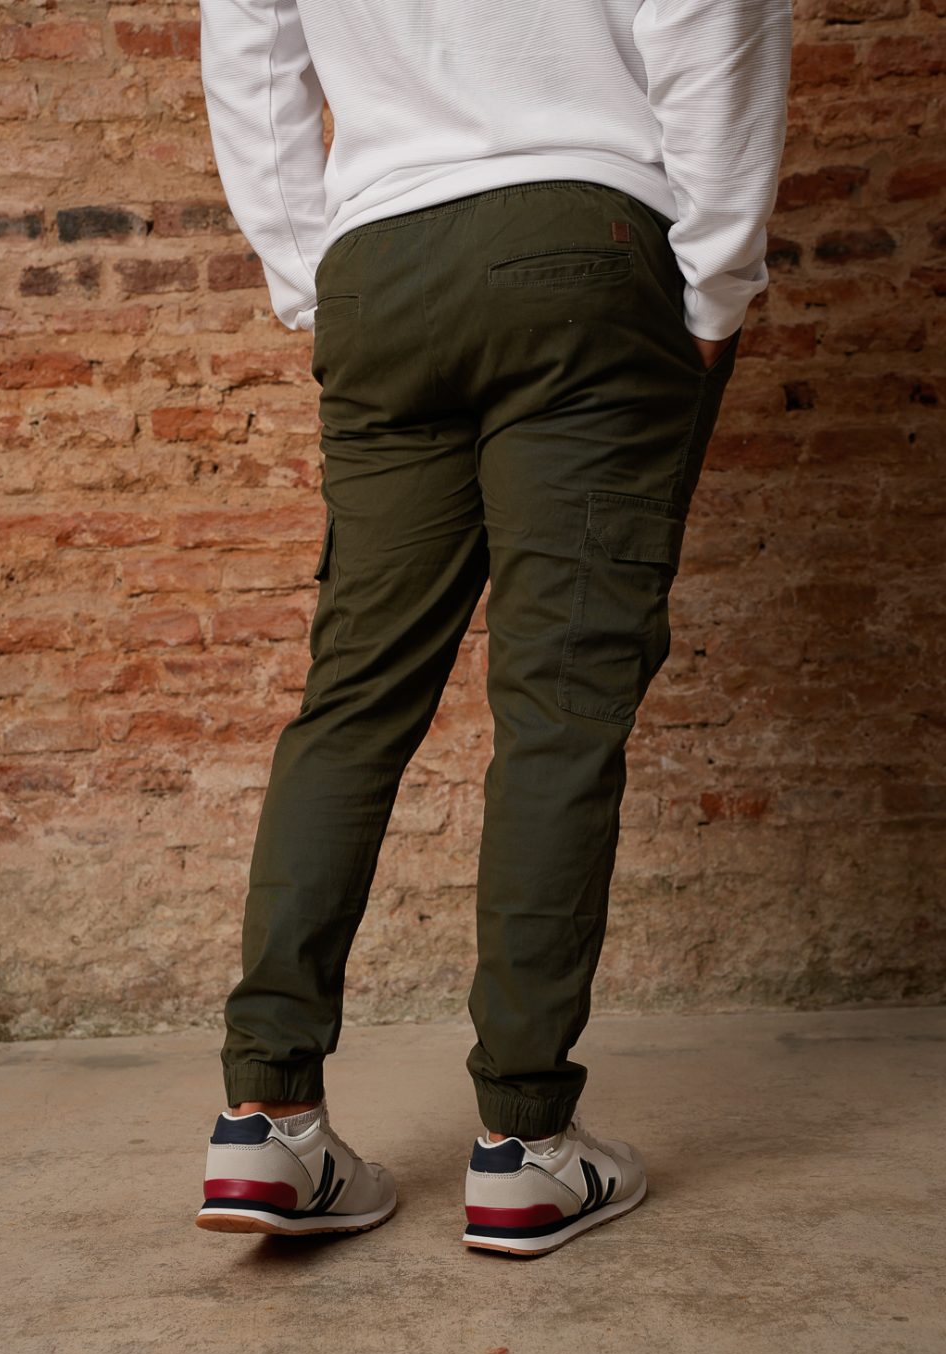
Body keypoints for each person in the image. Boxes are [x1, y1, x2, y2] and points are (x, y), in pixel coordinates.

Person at [193, 0, 792, 1256]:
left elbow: (250, 49)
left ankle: (267, 1117)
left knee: (352, 703)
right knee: (560, 709)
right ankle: (524, 1147)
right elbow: (712, 16)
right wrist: (717, 279)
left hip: (380, 268)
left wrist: (313, 275)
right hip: (586, 246)